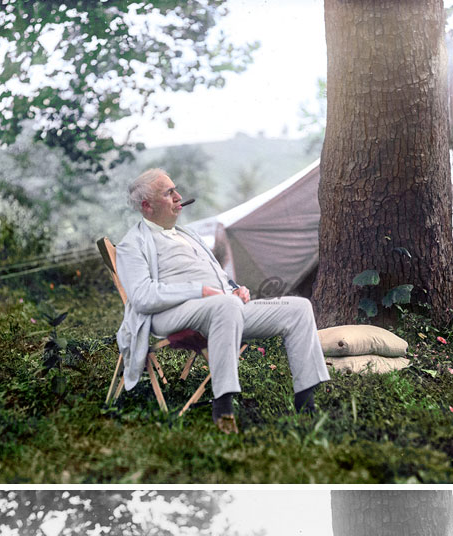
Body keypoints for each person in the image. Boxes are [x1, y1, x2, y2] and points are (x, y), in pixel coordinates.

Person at [115, 169, 329, 433]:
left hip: (221, 309)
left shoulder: (188, 234)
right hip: (170, 315)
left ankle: (306, 403)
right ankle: (223, 403)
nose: (178, 197)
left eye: (175, 190)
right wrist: (201, 291)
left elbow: (218, 277)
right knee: (225, 306)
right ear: (146, 206)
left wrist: (236, 288)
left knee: (298, 308)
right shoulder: (132, 244)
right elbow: (143, 297)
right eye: (168, 193)